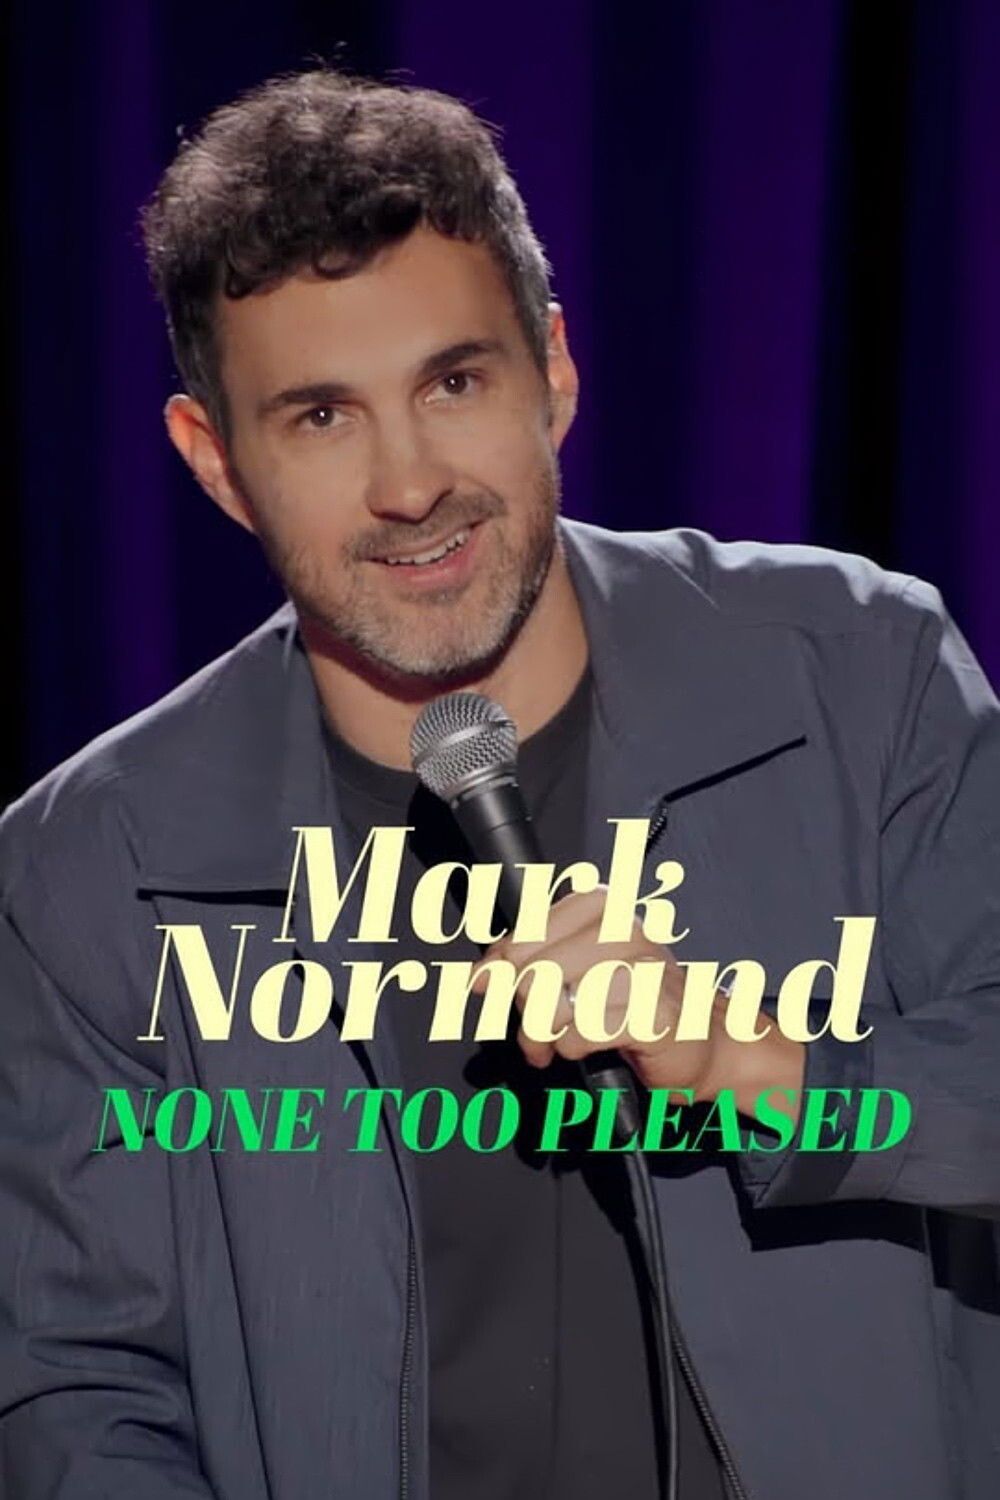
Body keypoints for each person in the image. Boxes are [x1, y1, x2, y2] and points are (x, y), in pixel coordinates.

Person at [0, 66, 998, 1500]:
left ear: (555, 370)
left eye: (454, 383)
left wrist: (756, 1062)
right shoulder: (97, 867)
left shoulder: (855, 673)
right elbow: (77, 1389)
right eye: (322, 418)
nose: (411, 484)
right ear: (215, 462)